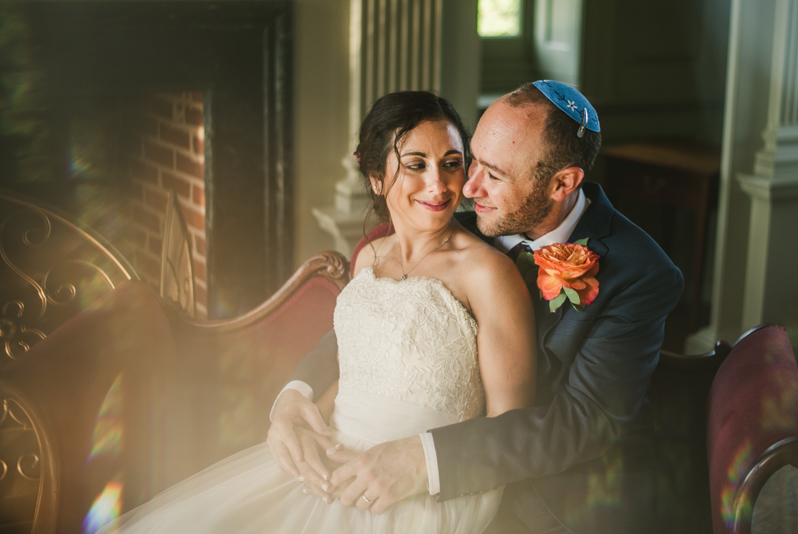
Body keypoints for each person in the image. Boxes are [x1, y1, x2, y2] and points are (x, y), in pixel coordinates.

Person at [98, 91, 538, 534]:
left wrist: (422, 470)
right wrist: (298, 414)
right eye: (416, 164)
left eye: (451, 163)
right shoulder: (368, 259)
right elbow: (363, 371)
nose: (439, 186)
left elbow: (511, 428)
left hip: (424, 491)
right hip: (333, 460)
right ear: (375, 177)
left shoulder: (487, 274)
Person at [269, 81, 684, 534]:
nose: (465, 186)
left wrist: (423, 459)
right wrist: (295, 394)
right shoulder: (454, 226)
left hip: (558, 498)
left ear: (562, 182)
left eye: (494, 173)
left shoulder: (640, 272)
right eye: (472, 161)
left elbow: (583, 423)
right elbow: (369, 329)